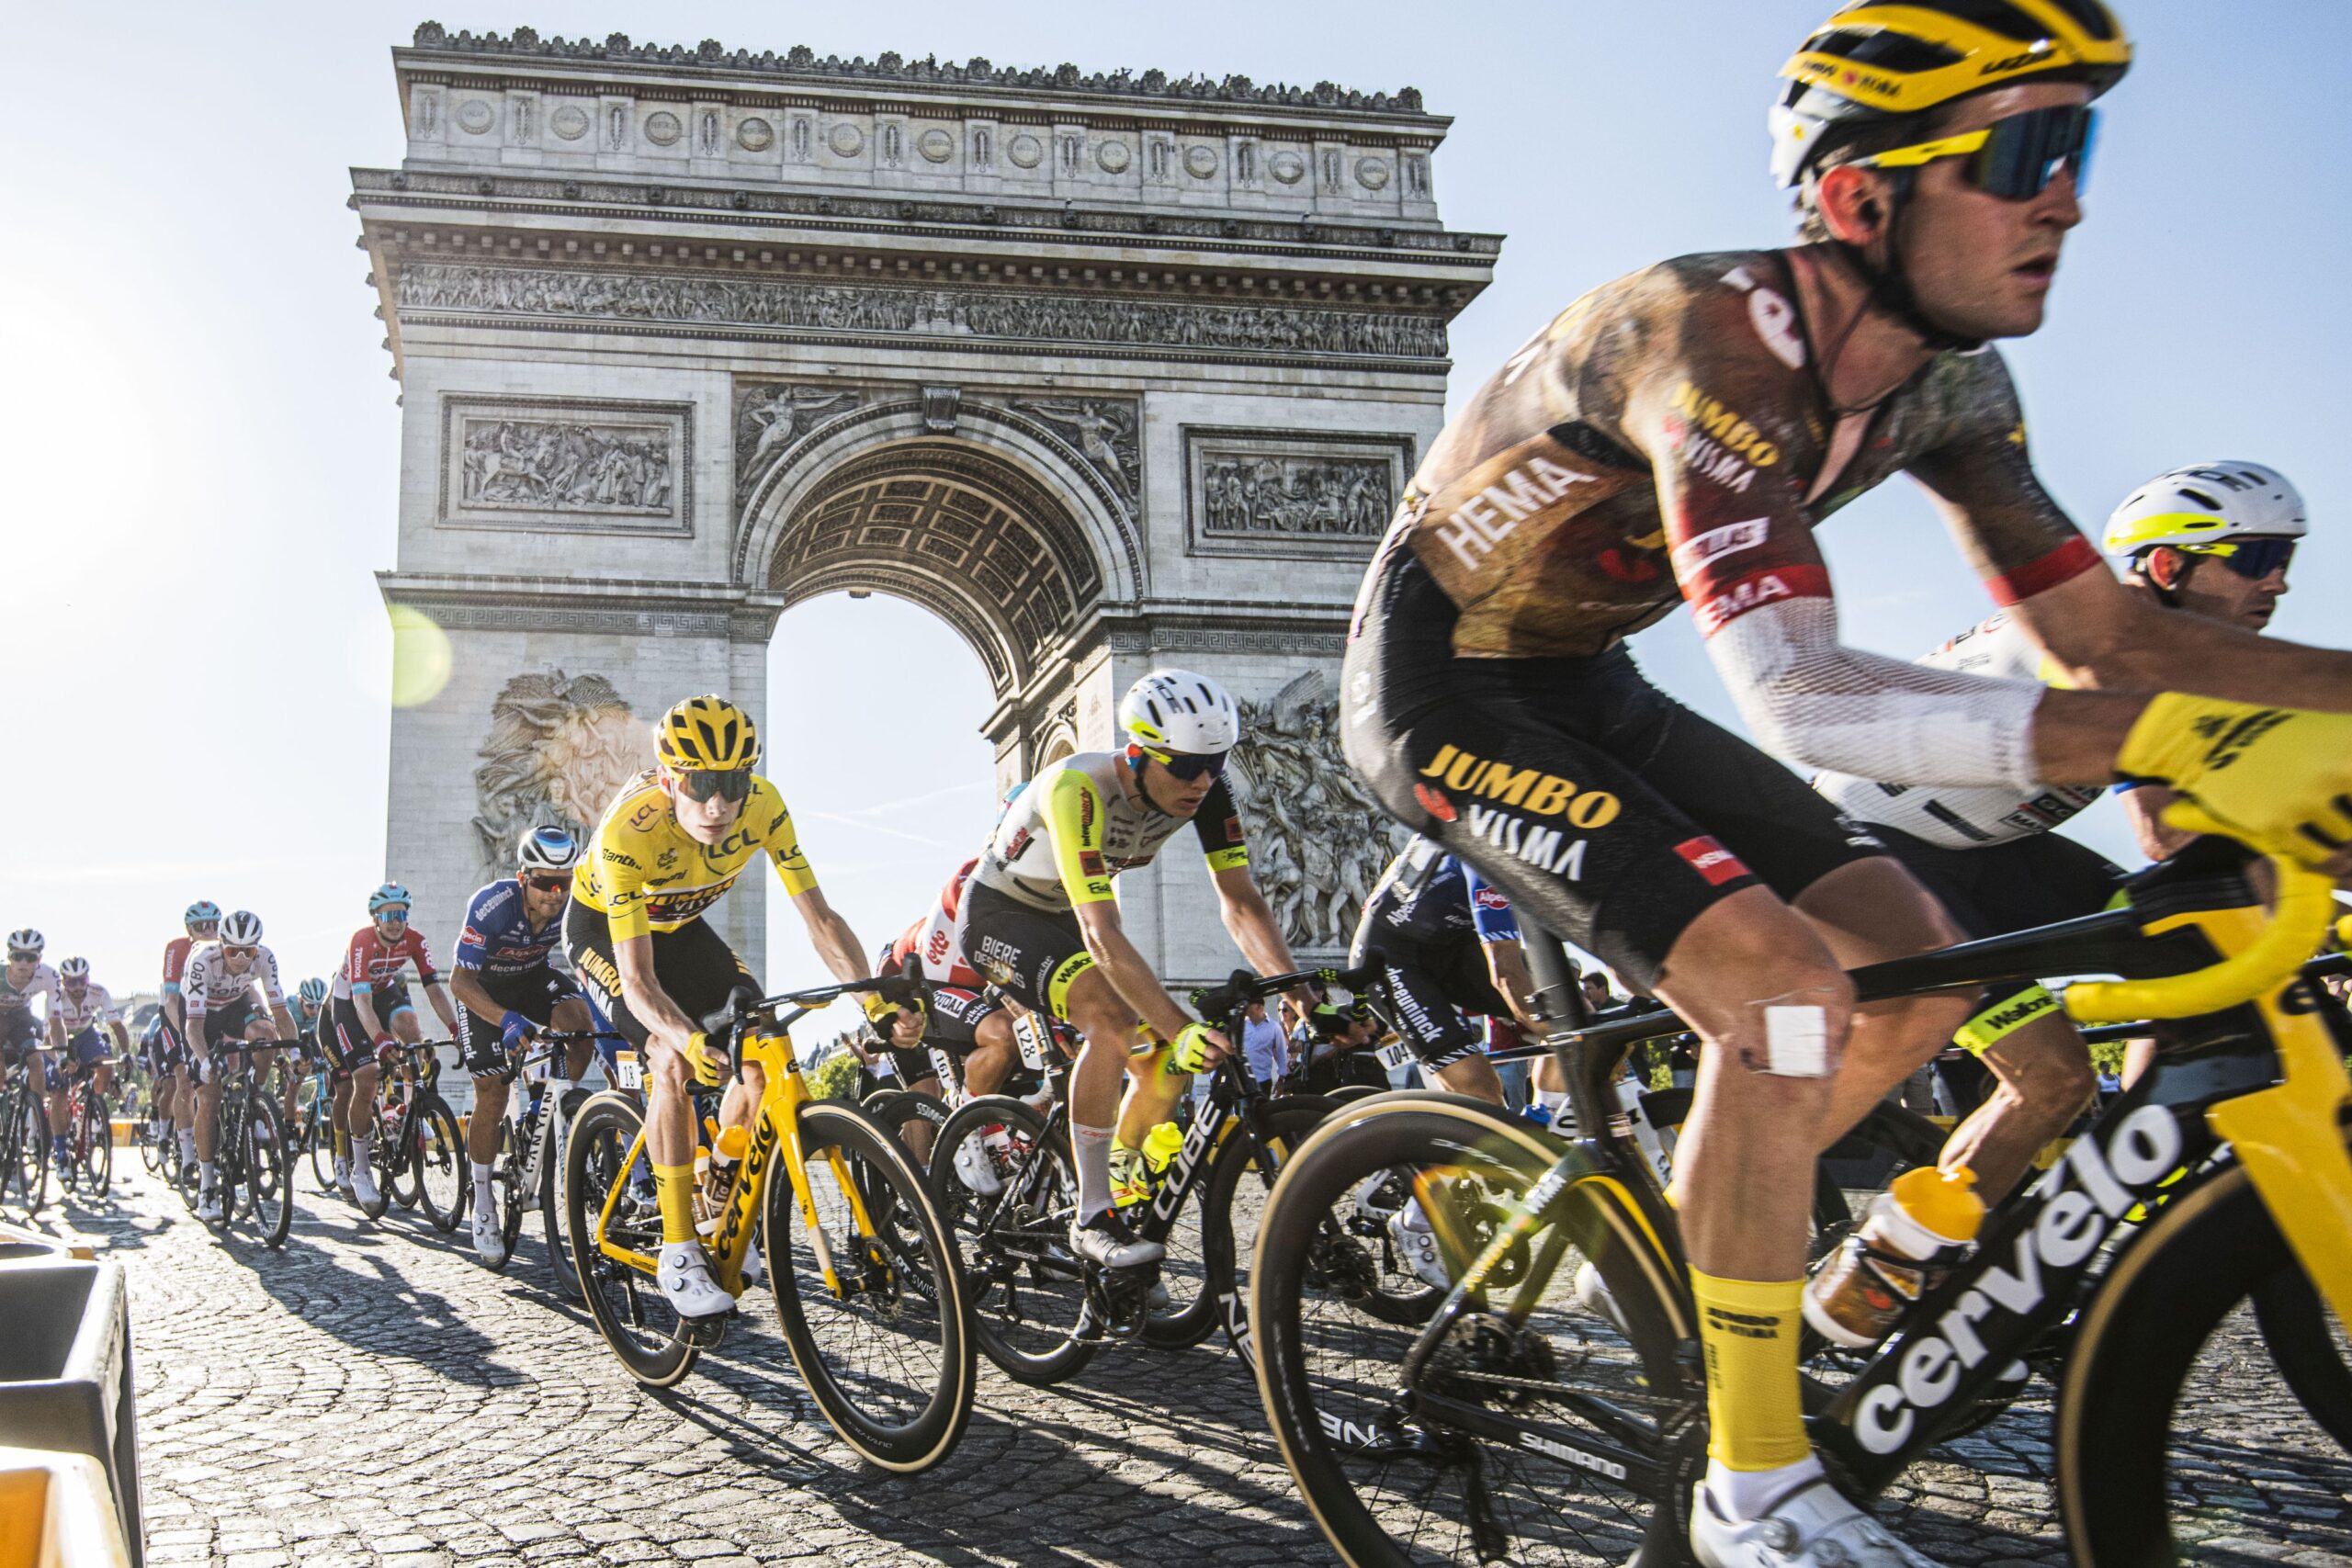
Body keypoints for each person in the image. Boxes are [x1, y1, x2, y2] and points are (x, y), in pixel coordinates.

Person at [1338, 6, 2352, 1559]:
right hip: (1440, 682)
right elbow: (1810, 693)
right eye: (2026, 152)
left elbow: (2101, 637)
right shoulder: (1704, 337)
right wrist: (2171, 742)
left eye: (2078, 147)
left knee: (1915, 971)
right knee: (1786, 986)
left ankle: (1732, 1256)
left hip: (1587, 680)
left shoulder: (1955, 390)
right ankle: (1752, 1487)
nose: (2067, 195)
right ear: (1863, 194)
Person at [1812, 459, 2305, 1197]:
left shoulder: (2179, 654)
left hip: (1991, 847)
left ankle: (2141, 1173)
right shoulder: (2110, 646)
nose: (2279, 583)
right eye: (2258, 559)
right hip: (1877, 856)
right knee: (2050, 1076)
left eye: (2286, 559)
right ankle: (1907, 1269)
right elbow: (2169, 833)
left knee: (2185, 943)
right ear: (2167, 564)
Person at [564, 694, 906, 1322]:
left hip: (682, 928)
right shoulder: (627, 830)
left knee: (763, 1051)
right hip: (606, 934)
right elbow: (638, 980)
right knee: (669, 1059)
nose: (718, 804)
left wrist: (874, 996)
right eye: (699, 785)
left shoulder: (766, 808)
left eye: (733, 783)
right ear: (669, 779)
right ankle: (677, 1249)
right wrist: (688, 1039)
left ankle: (720, 1178)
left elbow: (822, 920)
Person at [960, 670, 1315, 1270]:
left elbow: (1241, 900)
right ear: (1138, 751)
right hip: (1001, 914)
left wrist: (1300, 989)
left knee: (1164, 1062)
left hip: (1067, 915)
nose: (1201, 780)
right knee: (1113, 1016)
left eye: (1215, 761)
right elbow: (1102, 933)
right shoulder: (1077, 785)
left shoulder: (1209, 789)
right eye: (1181, 765)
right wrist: (1181, 1023)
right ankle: (1092, 1215)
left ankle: (1120, 1171)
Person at [450, 826, 599, 1266]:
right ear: (522, 878)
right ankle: (482, 1202)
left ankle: (550, 1107)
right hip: (485, 989)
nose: (555, 894)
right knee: (493, 1092)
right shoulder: (493, 904)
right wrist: (506, 1019)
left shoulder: (574, 901)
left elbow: (595, 956)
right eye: (544, 883)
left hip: (533, 976)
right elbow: (460, 981)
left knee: (582, 1030)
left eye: (564, 883)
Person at [322, 883, 461, 1207]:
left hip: (383, 993)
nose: (396, 922)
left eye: (401, 915)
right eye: (388, 916)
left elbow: (434, 990)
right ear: (375, 918)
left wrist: (455, 1028)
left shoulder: (416, 941)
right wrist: (381, 1040)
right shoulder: (362, 941)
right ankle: (359, 1167)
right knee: (367, 1076)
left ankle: (412, 1111)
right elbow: (361, 1000)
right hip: (349, 1003)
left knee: (413, 1033)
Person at [180, 911, 298, 1221]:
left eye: (250, 951)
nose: (243, 958)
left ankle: (254, 1096)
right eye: (234, 951)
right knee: (208, 1096)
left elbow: (280, 1011)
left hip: (234, 1004)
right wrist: (205, 1062)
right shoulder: (202, 960)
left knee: (266, 1034)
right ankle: (207, 1186)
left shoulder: (265, 958)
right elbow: (193, 1027)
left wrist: (295, 1055)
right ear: (221, 945)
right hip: (200, 1016)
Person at [46, 957, 128, 1180]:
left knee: (105, 1063)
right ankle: (61, 1151)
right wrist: (61, 1058)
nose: (78, 987)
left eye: (82, 980)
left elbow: (116, 1025)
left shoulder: (98, 992)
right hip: (59, 1036)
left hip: (85, 1033)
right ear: (63, 982)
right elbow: (48, 1034)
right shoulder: (54, 996)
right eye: (72, 983)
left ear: (88, 979)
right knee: (60, 1092)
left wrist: (126, 1053)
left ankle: (94, 1107)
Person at [158, 900, 220, 1181]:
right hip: (176, 1014)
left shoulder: (225, 947)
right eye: (200, 926)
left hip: (210, 1012)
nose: (208, 930)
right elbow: (172, 1001)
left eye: (213, 925)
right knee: (184, 1080)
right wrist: (185, 1037)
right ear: (189, 930)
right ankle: (187, 1157)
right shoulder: (177, 948)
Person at [1, 932, 59, 1156]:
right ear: (9, 956)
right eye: (18, 956)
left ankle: (37, 1125)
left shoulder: (49, 976)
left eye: (30, 957)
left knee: (37, 1060)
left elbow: (56, 1020)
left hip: (22, 1018)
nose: (23, 963)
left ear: (39, 959)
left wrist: (60, 1053)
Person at [1238, 998, 1287, 1089]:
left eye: (1248, 1005)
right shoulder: (1240, 1026)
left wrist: (1281, 1080)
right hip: (1243, 1082)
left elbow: (1282, 1055)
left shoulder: (1274, 1027)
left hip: (1263, 1081)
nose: (1245, 1007)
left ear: (1258, 1007)